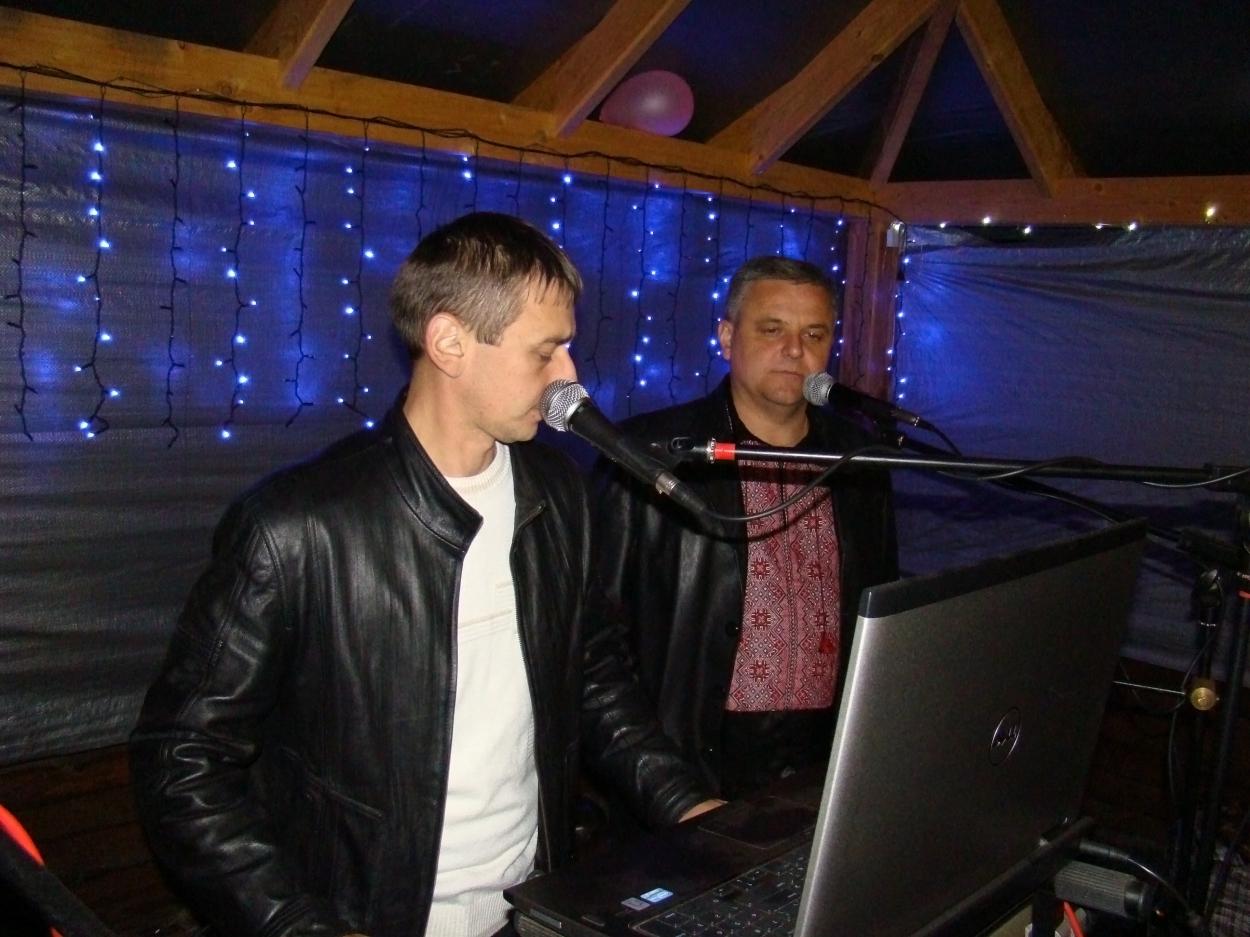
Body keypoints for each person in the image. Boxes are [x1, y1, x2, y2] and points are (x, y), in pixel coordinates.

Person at [130, 213, 713, 937]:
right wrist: (295, 924)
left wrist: (689, 805)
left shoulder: (559, 494)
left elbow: (592, 674)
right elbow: (180, 758)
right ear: (448, 342)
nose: (569, 376)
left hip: (535, 905)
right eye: (545, 351)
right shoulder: (296, 525)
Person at [594, 256, 899, 800]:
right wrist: (663, 785)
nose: (795, 350)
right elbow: (595, 645)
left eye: (814, 334)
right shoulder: (649, 455)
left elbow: (880, 621)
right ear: (727, 337)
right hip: (689, 764)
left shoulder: (859, 460)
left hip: (823, 767)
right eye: (772, 329)